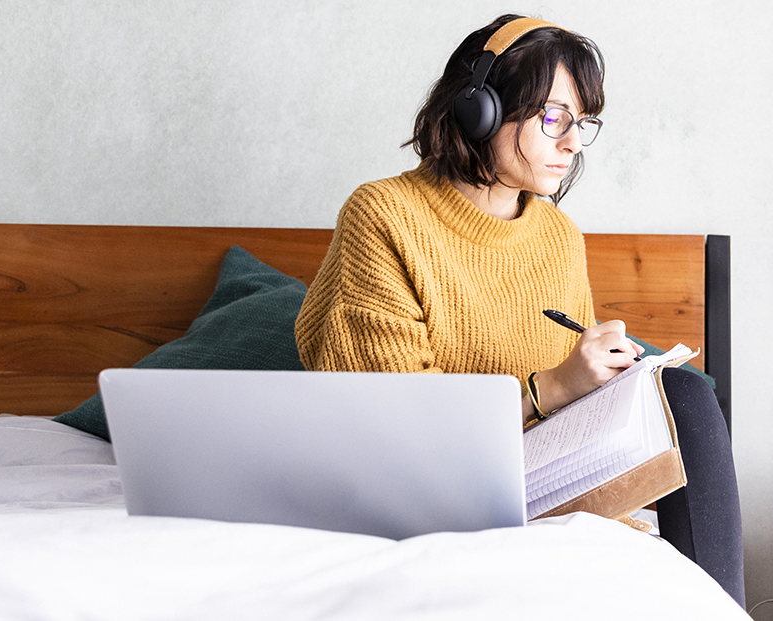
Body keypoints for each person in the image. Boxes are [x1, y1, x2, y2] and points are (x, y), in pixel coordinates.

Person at [293, 14, 742, 603]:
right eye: (553, 118)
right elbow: (393, 424)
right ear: (477, 107)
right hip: (415, 489)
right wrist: (552, 387)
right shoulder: (384, 215)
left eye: (581, 124)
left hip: (532, 478)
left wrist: (609, 384)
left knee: (684, 395)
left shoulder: (558, 235)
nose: (574, 142)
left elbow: (571, 408)